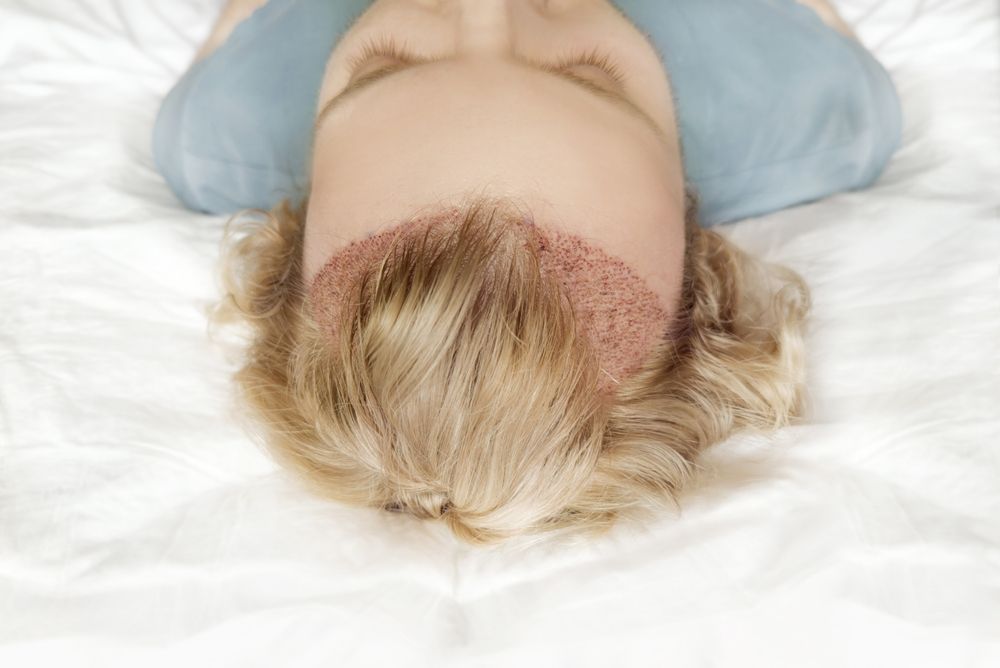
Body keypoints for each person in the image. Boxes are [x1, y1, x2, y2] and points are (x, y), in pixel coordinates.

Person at [153, 0, 902, 546]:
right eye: (589, 76)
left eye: (385, 67)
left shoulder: (225, 132)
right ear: (701, 250)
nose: (487, 8)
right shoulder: (812, 108)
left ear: (285, 246)